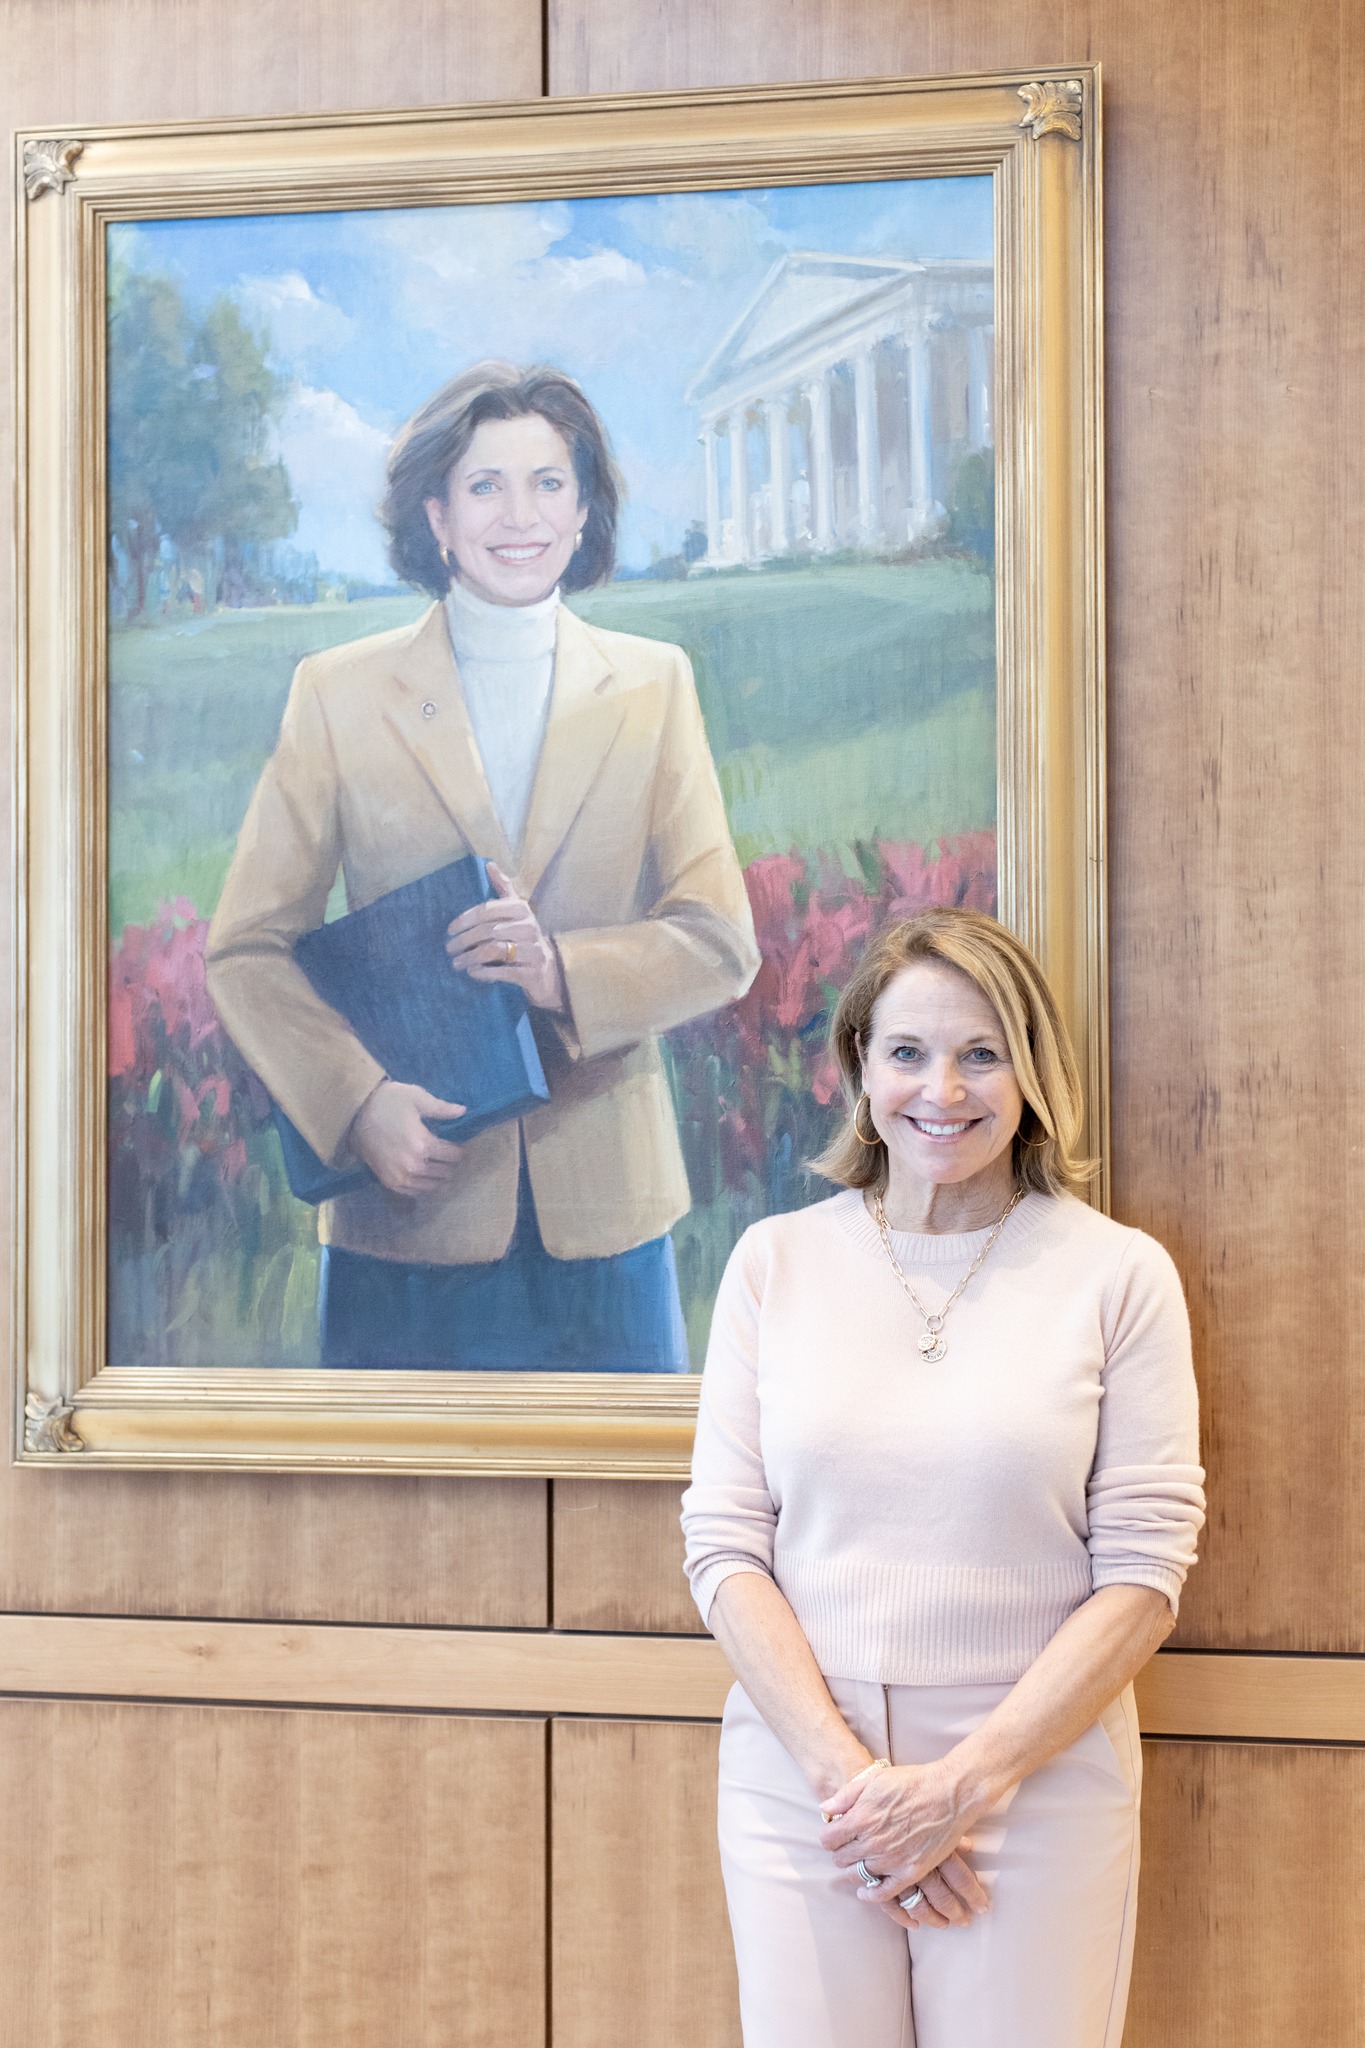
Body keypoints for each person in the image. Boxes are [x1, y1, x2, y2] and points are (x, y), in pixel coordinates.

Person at [681, 909, 1205, 2048]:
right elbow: (724, 1545)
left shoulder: (1119, 1275)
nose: (944, 1089)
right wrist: (857, 1787)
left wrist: (960, 1786)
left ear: (1030, 1070)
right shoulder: (774, 1263)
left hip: (1036, 1774)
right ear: (860, 1063)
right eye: (908, 1051)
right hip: (804, 1781)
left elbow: (1145, 1571)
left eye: (982, 1051)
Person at [207, 361, 759, 1370]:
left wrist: (560, 970)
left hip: (609, 1220)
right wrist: (357, 1102)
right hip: (403, 1212)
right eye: (484, 484)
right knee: (392, 1528)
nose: (522, 515)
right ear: (437, 515)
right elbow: (245, 947)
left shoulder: (653, 684)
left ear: (587, 508)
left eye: (549, 482)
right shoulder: (337, 692)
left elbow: (720, 941)